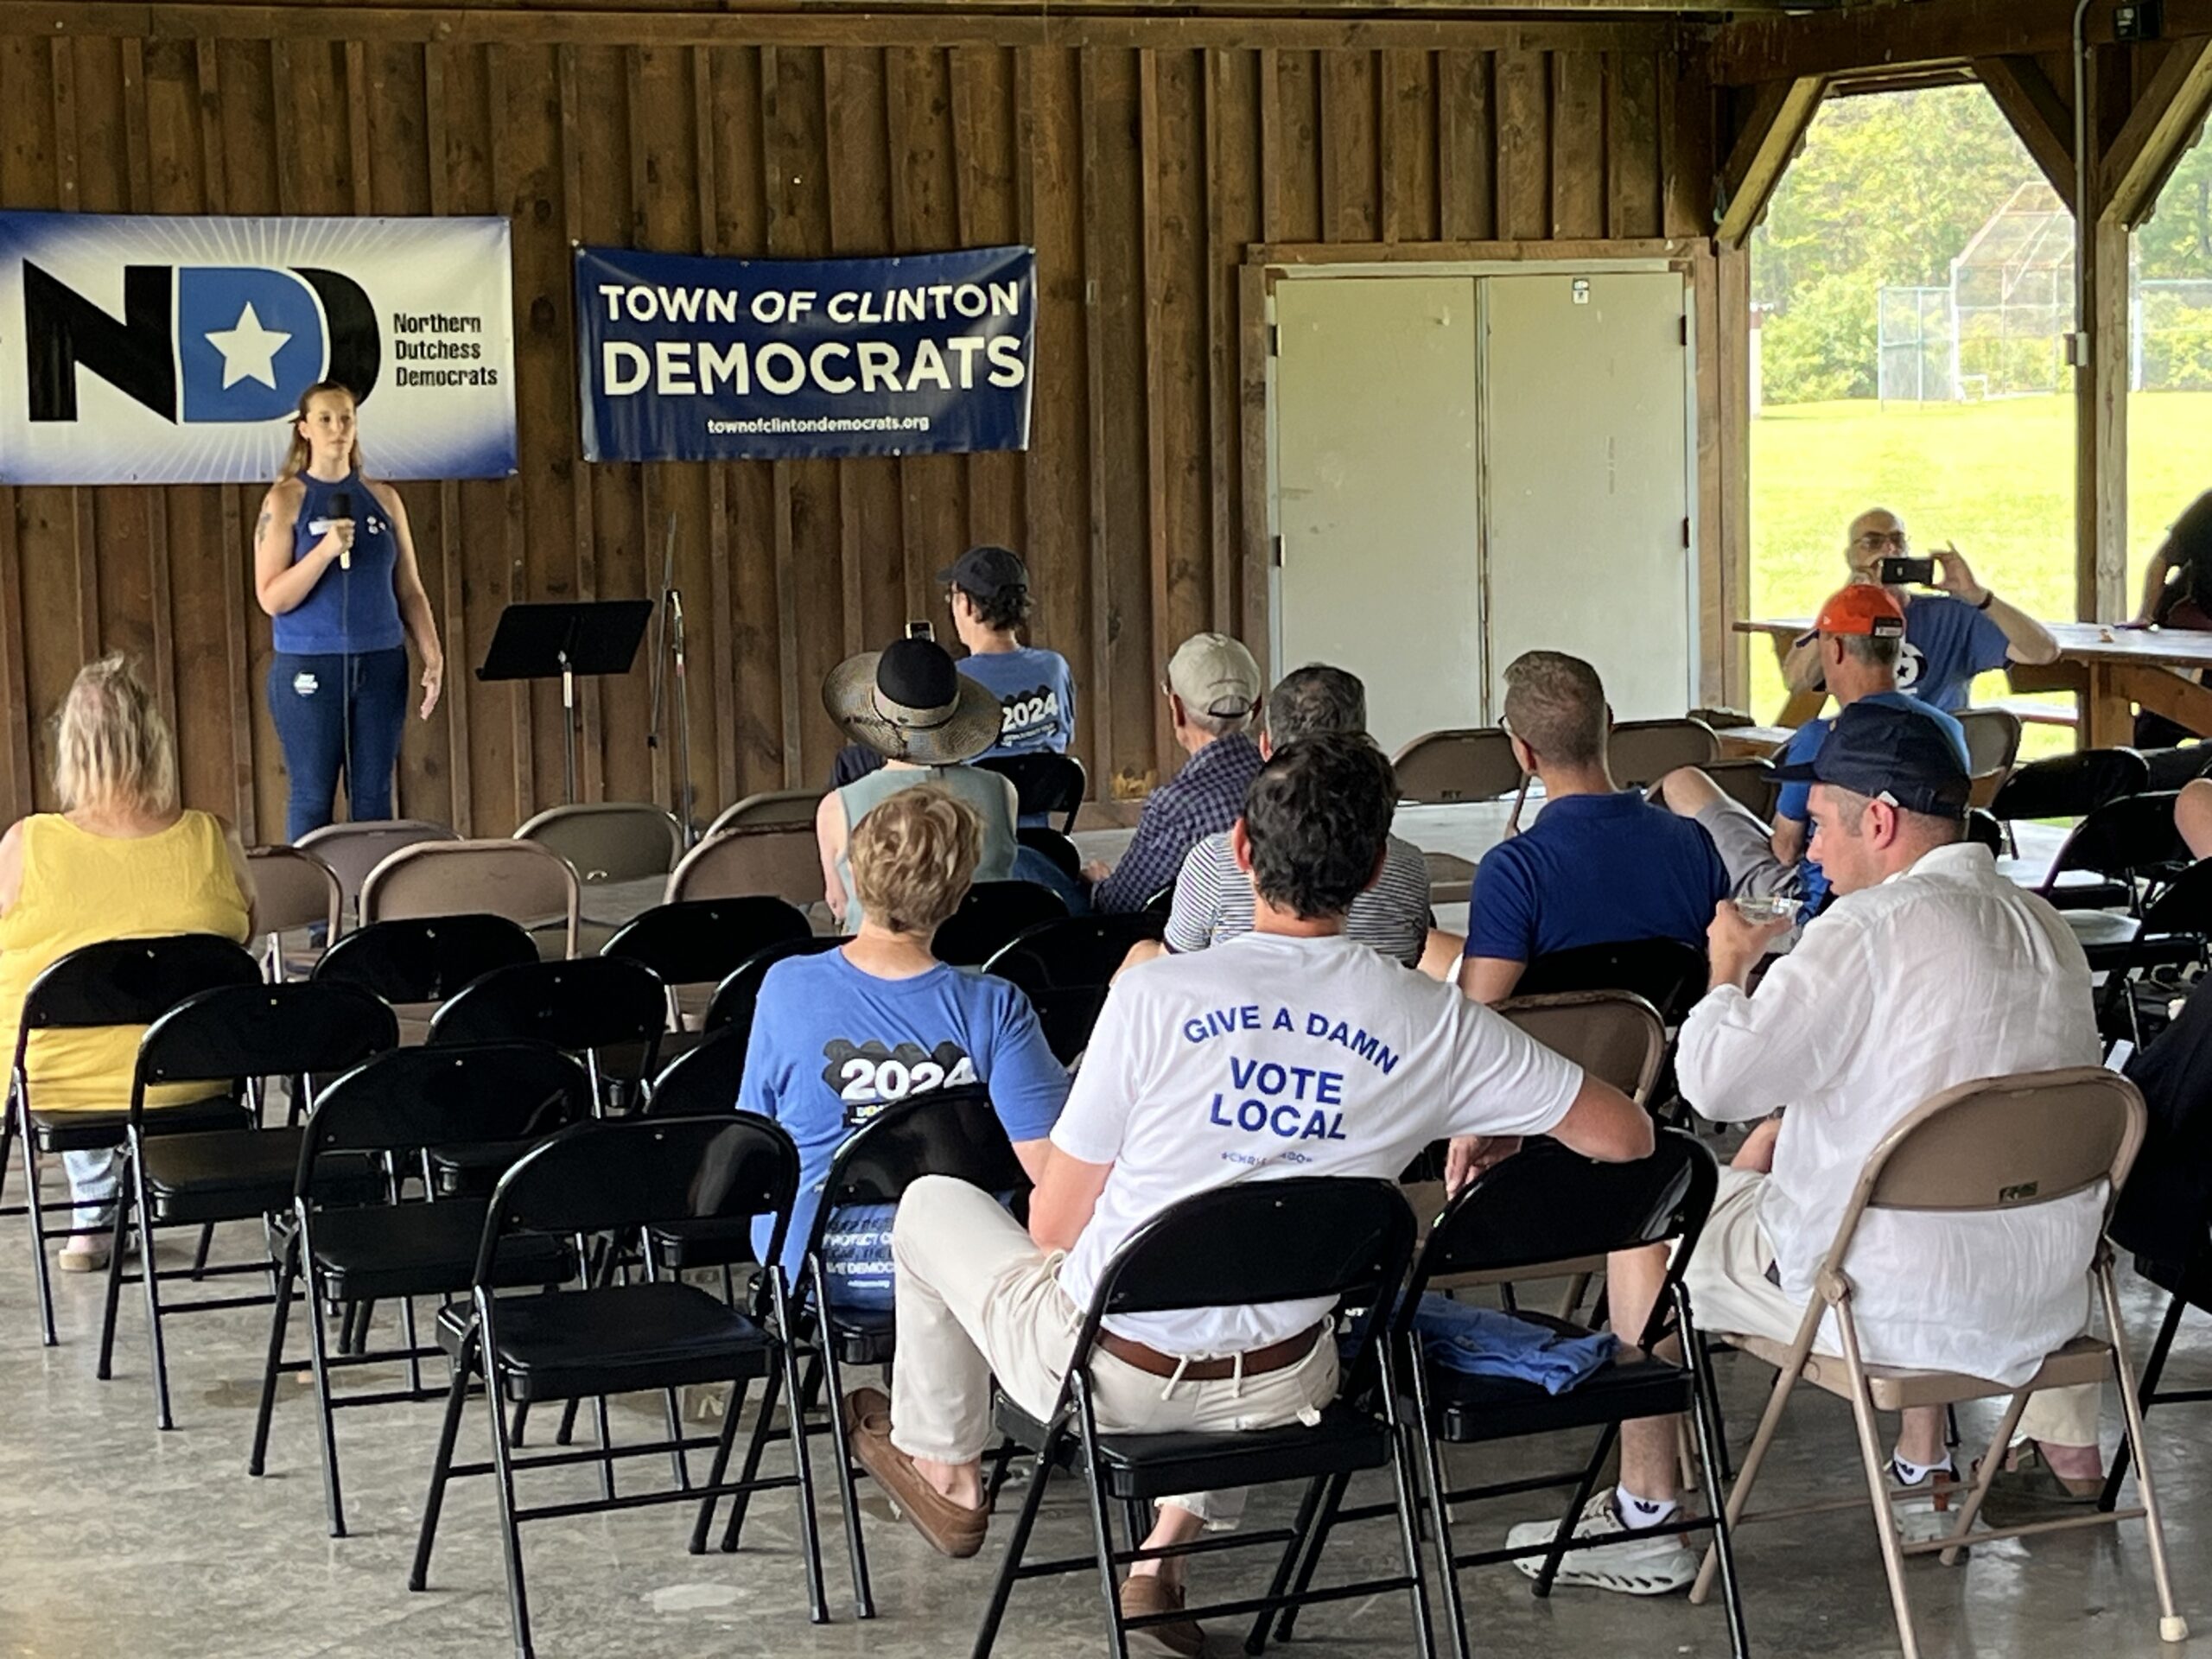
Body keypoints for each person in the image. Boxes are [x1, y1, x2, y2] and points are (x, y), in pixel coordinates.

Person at [845, 733, 1653, 1656]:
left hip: (1105, 1381)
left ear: (1239, 850)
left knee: (934, 1205)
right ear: (1375, 870)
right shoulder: (1437, 1021)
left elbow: (1053, 1223)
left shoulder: (1154, 996)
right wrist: (1502, 1119)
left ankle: (946, 1464)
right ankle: (1160, 1561)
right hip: (1287, 1381)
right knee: (1250, 1272)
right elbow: (1628, 1137)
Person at [1511, 700, 2107, 1595]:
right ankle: (1924, 1467)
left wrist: (1727, 968)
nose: (1812, 850)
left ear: (1880, 820)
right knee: (1843, 1164)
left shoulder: (1864, 930)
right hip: (2039, 1295)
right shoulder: (2042, 924)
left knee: (1643, 1214)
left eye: (1821, 822)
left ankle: (1646, 1514)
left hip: (1880, 1307)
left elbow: (1715, 1086)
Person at [738, 786, 1067, 1305]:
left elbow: (754, 1138)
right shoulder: (997, 1007)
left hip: (814, 1259)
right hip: (964, 1268)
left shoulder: (786, 986)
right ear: (960, 893)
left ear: (855, 873)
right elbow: (1052, 1173)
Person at [0, 655, 257, 1274]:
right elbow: (242, 940)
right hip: (190, 1077)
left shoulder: (27, 845)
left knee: (66, 1023)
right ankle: (119, 1200)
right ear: (153, 740)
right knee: (129, 1031)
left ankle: (93, 1214)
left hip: (55, 1084)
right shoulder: (213, 838)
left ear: (69, 748)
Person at [1658, 583, 1967, 922]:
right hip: (1920, 898)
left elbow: (1785, 851)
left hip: (1815, 908)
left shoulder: (1822, 737)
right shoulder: (1947, 730)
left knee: (1682, 782)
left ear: (1835, 648)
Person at [1458, 651, 1729, 1006]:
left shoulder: (1513, 871)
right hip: (1671, 1040)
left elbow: (1477, 1011)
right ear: (1609, 723)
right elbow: (1724, 967)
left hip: (1549, 1043)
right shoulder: (1693, 843)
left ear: (1524, 753)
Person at [252, 381, 444, 843]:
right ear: (304, 429)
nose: (337, 428)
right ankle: (315, 893)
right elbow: (272, 598)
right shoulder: (285, 500)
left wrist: (432, 652)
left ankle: (371, 888)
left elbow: (410, 589)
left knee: (374, 795)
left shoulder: (384, 499)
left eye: (346, 419)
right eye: (325, 419)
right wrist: (323, 552)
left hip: (381, 661)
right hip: (311, 664)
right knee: (313, 795)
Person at [1155, 664, 1431, 966]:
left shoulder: (1213, 863)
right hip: (1372, 994)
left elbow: (1172, 970)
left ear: (1265, 747)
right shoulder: (1409, 867)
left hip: (1239, 993)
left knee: (1142, 953)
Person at [816, 632, 1021, 931]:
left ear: (875, 717)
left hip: (881, 958)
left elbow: (839, 904)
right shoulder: (1002, 791)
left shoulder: (837, 807)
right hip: (989, 952)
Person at [1781, 507, 2058, 713]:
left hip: (1935, 749)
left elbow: (2044, 651)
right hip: (1868, 747)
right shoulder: (1843, 620)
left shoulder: (1951, 616)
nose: (1889, 550)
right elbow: (1797, 680)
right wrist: (1849, 600)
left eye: (1897, 540)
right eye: (1873, 542)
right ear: (1851, 557)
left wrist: (1979, 597)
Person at [1084, 632, 1266, 915]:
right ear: (1257, 706)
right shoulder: (1287, 776)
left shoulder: (1176, 805)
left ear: (1177, 709)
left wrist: (1099, 883)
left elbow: (1120, 905)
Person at [938, 544, 1077, 760]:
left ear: (966, 604)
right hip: (1051, 782)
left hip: (976, 783)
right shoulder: (1055, 669)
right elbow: (1064, 736)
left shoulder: (953, 680)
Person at [2131, 490, 2212, 746]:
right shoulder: (2208, 507)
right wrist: (2145, 614)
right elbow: (2163, 559)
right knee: (2158, 719)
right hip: (2195, 635)